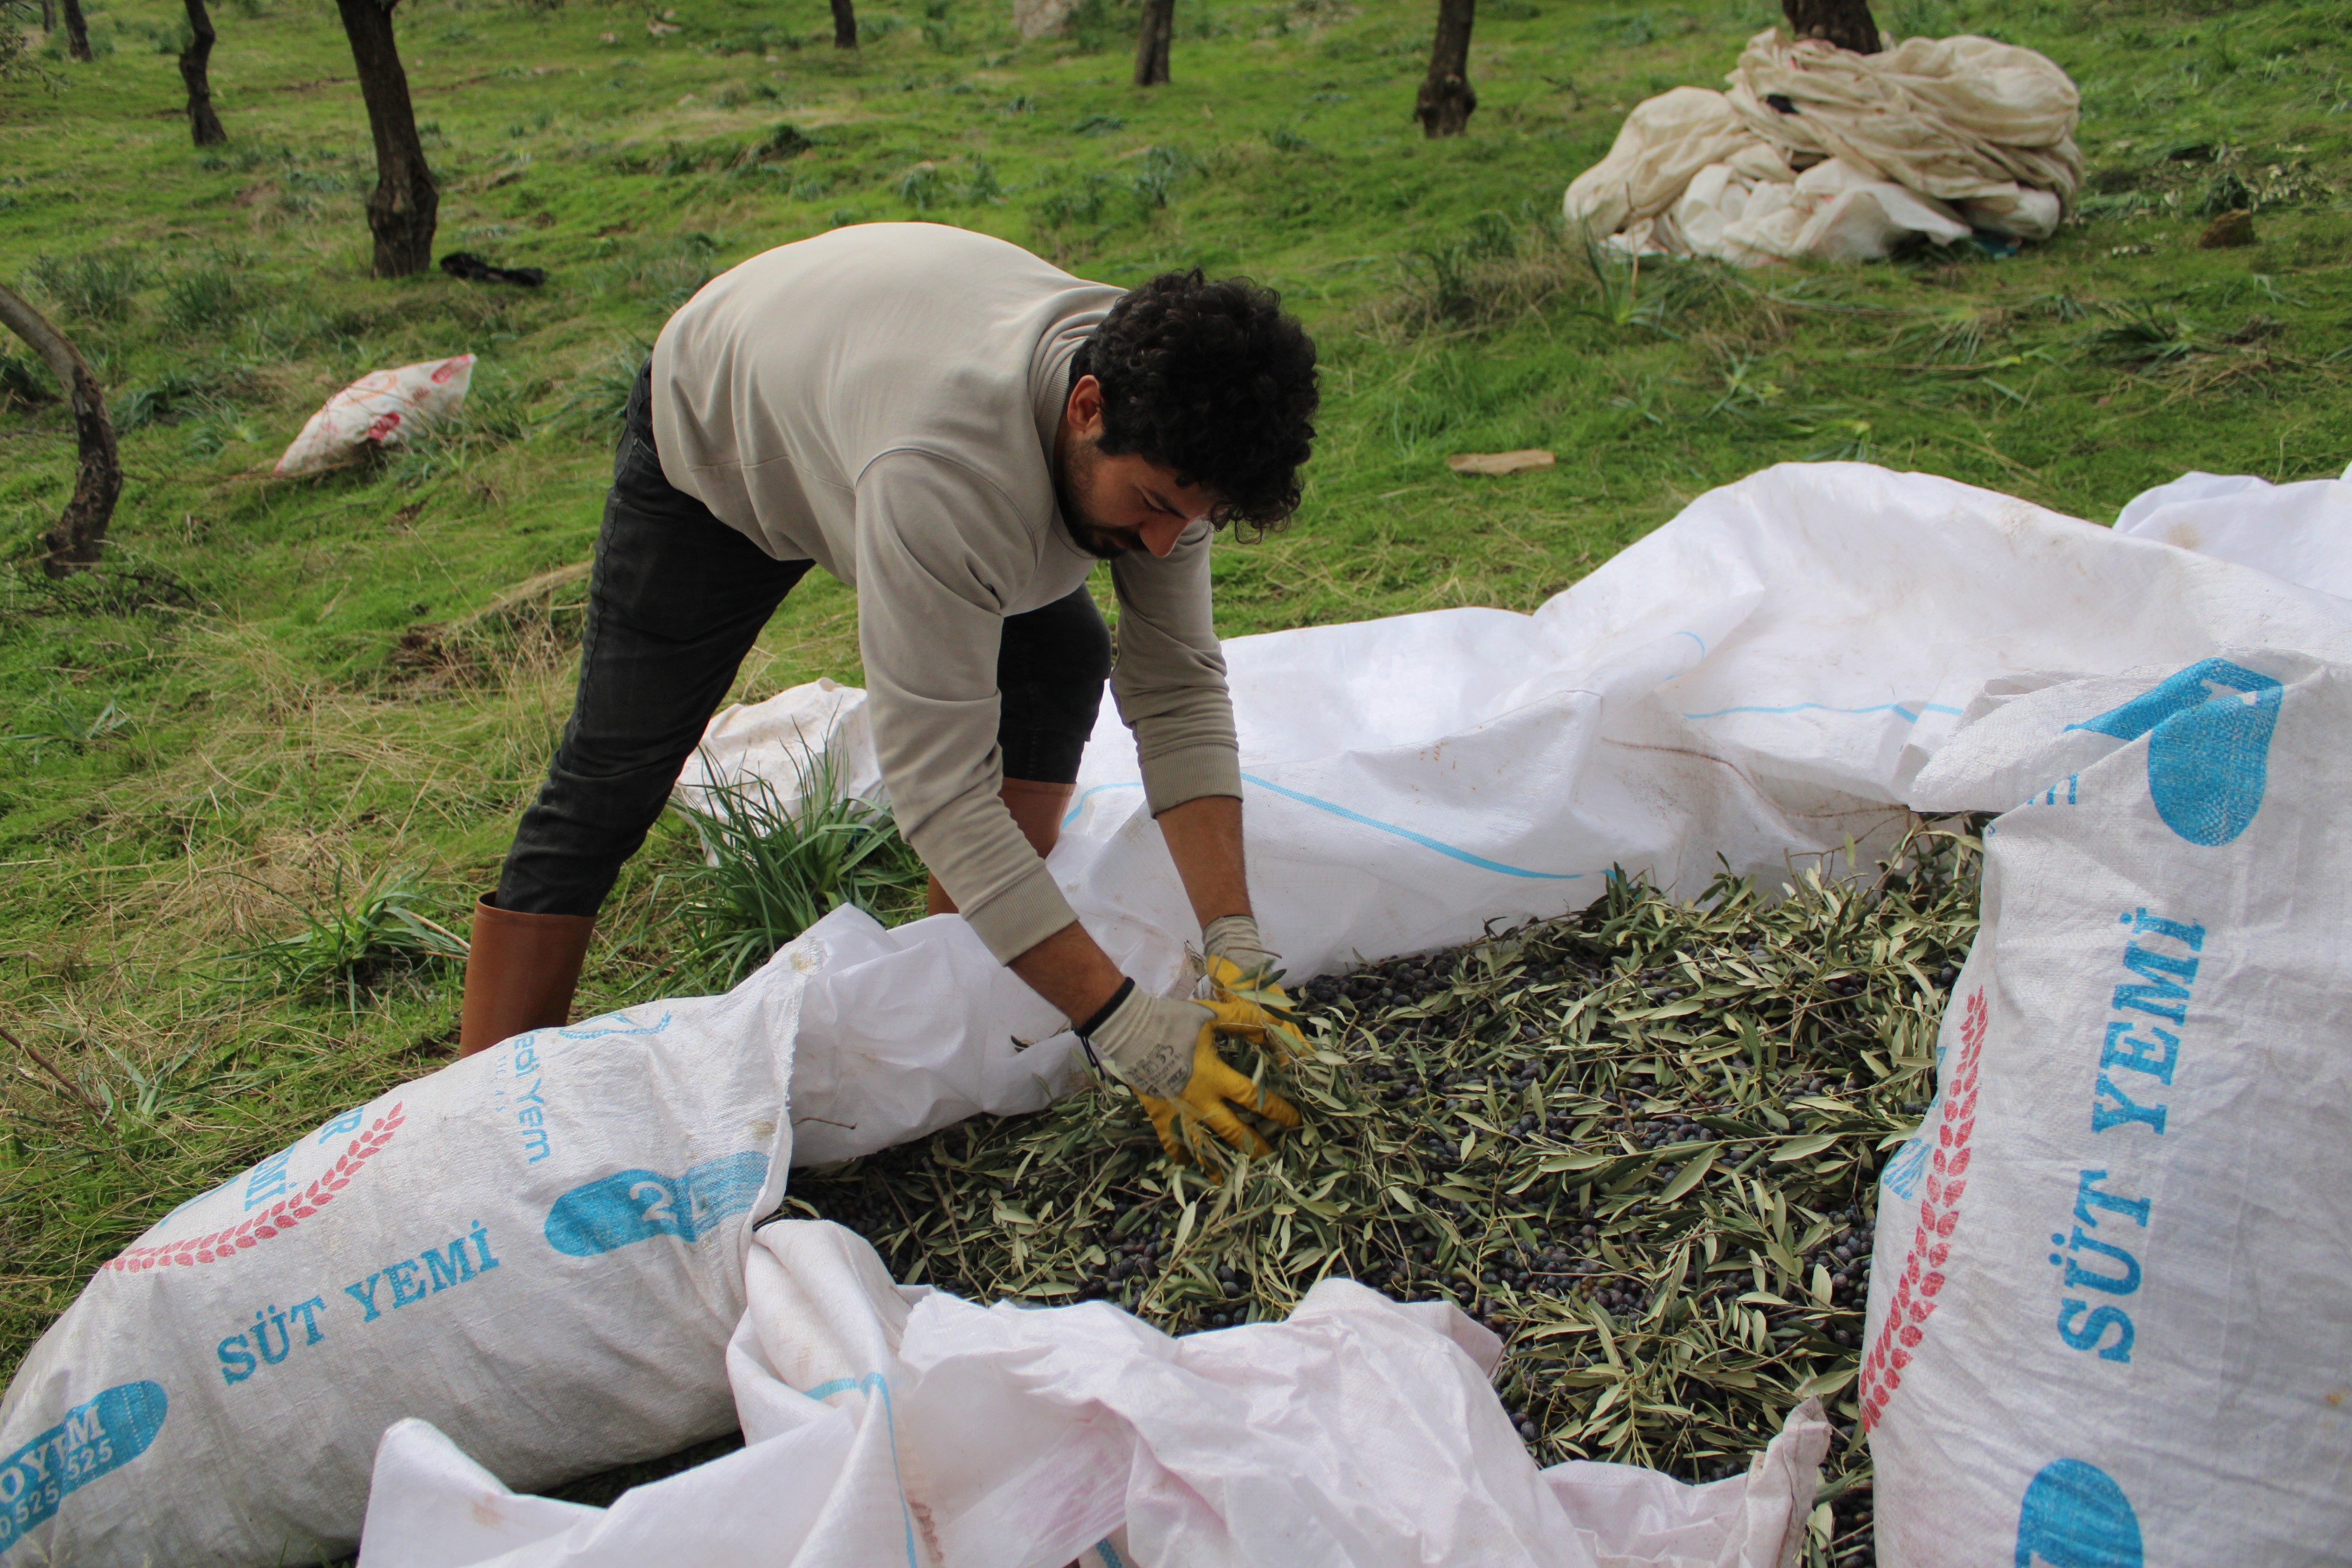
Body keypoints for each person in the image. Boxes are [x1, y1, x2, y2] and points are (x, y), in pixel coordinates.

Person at [456, 221, 1322, 1161]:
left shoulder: (1175, 417)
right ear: (1086, 408)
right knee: (616, 769)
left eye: (1194, 520)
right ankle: (485, 1121)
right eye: (1152, 506)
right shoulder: (947, 471)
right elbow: (942, 795)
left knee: (1059, 658)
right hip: (727, 426)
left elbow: (1179, 688)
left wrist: (1235, 941)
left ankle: (965, 972)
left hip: (871, 387)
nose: (1163, 543)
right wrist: (1124, 1025)